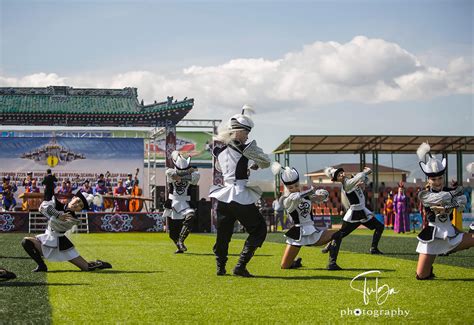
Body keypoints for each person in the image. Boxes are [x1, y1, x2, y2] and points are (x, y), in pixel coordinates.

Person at [209, 105, 271, 277]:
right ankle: (240, 266)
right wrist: (255, 164)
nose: (248, 135)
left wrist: (246, 166)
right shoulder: (247, 148)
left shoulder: (219, 150)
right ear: (238, 131)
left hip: (224, 197)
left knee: (224, 233)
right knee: (259, 229)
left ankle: (220, 267)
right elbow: (266, 161)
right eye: (246, 131)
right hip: (239, 195)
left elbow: (221, 169)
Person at [415, 143, 473, 280]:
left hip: (450, 232)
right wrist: (453, 195)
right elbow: (437, 198)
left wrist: (453, 201)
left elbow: (462, 203)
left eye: (440, 178)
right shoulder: (424, 194)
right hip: (433, 235)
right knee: (422, 276)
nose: (437, 181)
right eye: (433, 179)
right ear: (428, 179)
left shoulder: (448, 191)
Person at [21, 190, 112, 272]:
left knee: (86, 267)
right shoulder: (57, 203)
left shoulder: (73, 219)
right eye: (78, 201)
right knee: (26, 241)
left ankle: (99, 263)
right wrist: (57, 214)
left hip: (61, 243)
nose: (77, 205)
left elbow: (53, 221)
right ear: (73, 198)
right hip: (47, 239)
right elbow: (42, 207)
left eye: (81, 206)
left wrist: (55, 214)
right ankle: (42, 266)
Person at [271, 163, 335, 269]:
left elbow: (320, 198)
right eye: (291, 187)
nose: (295, 188)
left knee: (338, 234)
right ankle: (294, 263)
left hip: (311, 230)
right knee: (284, 266)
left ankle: (332, 263)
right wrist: (310, 191)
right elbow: (296, 197)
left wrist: (322, 194)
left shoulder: (306, 196)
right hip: (297, 233)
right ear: (286, 187)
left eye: (296, 185)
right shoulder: (286, 199)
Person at [321, 166, 385, 270]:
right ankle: (331, 262)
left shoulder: (349, 181)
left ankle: (373, 248)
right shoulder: (347, 183)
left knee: (379, 226)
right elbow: (359, 177)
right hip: (356, 213)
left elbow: (361, 185)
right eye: (338, 175)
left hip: (362, 212)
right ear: (337, 179)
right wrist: (366, 172)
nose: (341, 174)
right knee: (339, 235)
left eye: (341, 172)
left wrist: (362, 184)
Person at [163, 151, 200, 253]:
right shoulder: (170, 172)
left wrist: (181, 175)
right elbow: (170, 174)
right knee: (172, 233)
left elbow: (195, 177)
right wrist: (187, 172)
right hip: (173, 203)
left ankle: (181, 241)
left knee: (191, 216)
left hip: (185, 203)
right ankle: (179, 245)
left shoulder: (195, 174)